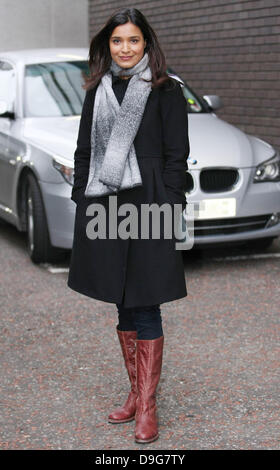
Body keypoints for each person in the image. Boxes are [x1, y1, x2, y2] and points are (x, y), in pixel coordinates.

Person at [67, 7, 190, 444]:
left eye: (133, 41)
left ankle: (149, 407)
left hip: (152, 201)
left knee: (146, 299)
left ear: (146, 44)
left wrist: (173, 201)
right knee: (121, 297)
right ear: (107, 45)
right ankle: (136, 394)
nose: (124, 49)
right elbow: (84, 152)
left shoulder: (167, 90)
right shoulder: (95, 91)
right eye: (117, 41)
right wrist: (82, 198)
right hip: (107, 202)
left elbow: (178, 155)